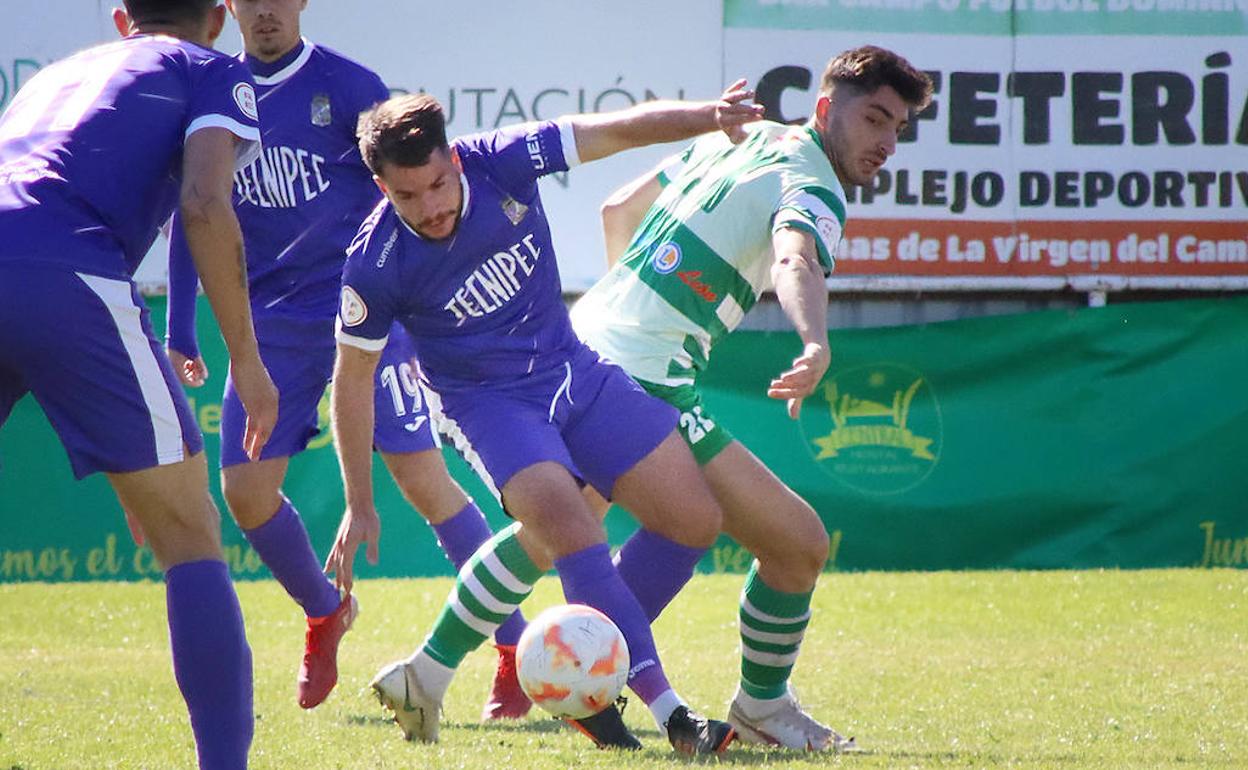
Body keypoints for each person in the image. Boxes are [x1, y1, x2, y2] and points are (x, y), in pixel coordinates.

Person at [324, 89, 763, 753]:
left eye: (439, 184)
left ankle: (545, 673)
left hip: (574, 370)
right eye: (408, 196)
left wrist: (710, 117)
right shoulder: (374, 264)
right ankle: (674, 717)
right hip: (488, 406)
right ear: (382, 187)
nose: (432, 207)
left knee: (693, 519)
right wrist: (358, 502)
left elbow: (612, 128)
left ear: (455, 159)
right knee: (569, 525)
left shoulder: (502, 161)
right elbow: (351, 383)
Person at [162, 0, 529, 717]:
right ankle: (325, 610)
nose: (265, 10)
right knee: (245, 492)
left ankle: (514, 649)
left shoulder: (351, 87)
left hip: (364, 315)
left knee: (423, 480)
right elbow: (193, 208)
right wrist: (181, 322)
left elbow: (414, 197)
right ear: (228, 7)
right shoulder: (211, 92)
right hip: (267, 328)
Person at [570, 46, 933, 752]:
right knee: (793, 544)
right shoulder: (815, 183)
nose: (887, 142)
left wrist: (631, 312)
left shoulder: (740, 135)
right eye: (876, 118)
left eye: (900, 128)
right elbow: (795, 256)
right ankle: (597, 675)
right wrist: (815, 342)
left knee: (575, 531)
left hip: (588, 351)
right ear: (826, 109)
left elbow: (618, 208)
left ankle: (510, 672)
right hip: (649, 376)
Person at [0, 1, 279, 767]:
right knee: (188, 536)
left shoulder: (54, 75)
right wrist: (247, 362)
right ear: (220, 17)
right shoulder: (211, 68)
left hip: (33, 253)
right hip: (66, 272)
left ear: (122, 17)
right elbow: (203, 203)